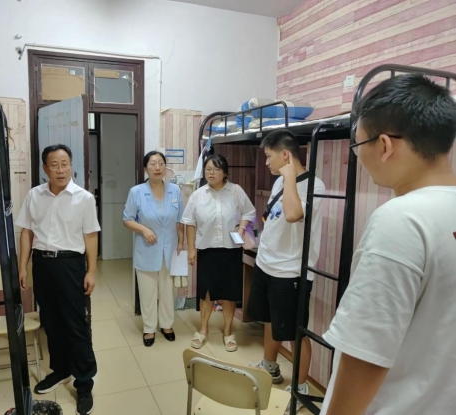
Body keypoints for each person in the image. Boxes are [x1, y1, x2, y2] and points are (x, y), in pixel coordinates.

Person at [320, 74, 456, 415]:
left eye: (358, 146)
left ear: (384, 146)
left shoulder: (401, 220)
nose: (358, 158)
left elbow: (366, 353)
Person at [16, 144, 99, 415]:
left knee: (75, 324)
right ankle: (61, 369)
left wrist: (91, 271)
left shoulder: (84, 198)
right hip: (42, 264)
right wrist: (23, 266)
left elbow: (90, 236)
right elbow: (27, 232)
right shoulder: (34, 195)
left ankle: (84, 384)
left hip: (70, 265)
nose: (61, 170)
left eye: (65, 164)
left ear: (71, 166)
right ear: (45, 168)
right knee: (51, 322)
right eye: (54, 165)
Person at [247, 129, 325, 413]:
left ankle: (300, 387)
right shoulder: (280, 180)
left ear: (285, 155)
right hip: (267, 264)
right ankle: (270, 366)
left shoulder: (314, 185)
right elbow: (273, 217)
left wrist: (290, 176)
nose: (267, 162)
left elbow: (293, 215)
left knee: (295, 332)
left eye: (269, 156)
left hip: (291, 272)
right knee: (270, 320)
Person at [181, 154, 256, 352]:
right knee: (206, 292)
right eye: (208, 169)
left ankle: (228, 331)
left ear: (225, 173)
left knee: (230, 293)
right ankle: (203, 330)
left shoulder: (236, 191)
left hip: (231, 251)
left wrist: (242, 227)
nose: (211, 173)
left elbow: (249, 212)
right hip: (207, 250)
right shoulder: (198, 195)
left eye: (216, 169)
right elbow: (189, 222)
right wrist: (191, 249)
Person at [123, 151, 184, 347]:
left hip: (170, 249)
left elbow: (180, 220)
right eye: (152, 163)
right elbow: (127, 219)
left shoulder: (175, 190)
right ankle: (149, 328)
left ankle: (166, 324)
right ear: (145, 168)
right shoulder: (137, 192)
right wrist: (143, 229)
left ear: (165, 167)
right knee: (147, 291)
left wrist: (181, 242)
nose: (157, 167)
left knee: (167, 290)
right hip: (147, 248)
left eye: (161, 163)